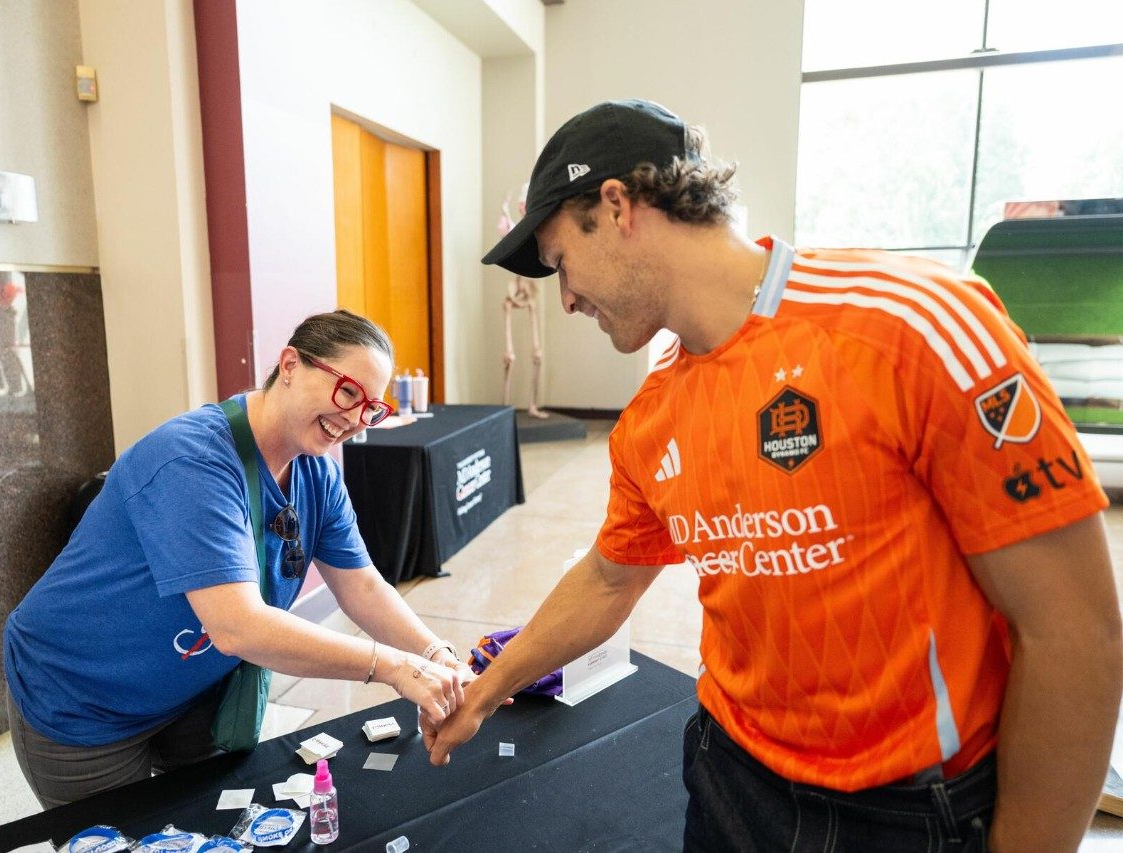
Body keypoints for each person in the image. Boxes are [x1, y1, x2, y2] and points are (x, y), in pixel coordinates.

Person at [426, 99, 1123, 852]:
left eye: (563, 262)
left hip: (908, 811)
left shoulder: (912, 328)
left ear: (617, 205)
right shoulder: (654, 415)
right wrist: (485, 691)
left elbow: (1073, 633)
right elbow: (607, 579)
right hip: (730, 777)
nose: (563, 299)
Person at [4, 309, 470, 809]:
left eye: (371, 407)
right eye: (348, 392)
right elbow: (237, 628)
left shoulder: (317, 473)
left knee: (212, 829)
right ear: (290, 365)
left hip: (194, 693)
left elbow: (362, 586)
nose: (355, 419)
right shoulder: (193, 461)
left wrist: (435, 656)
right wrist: (394, 668)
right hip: (86, 701)